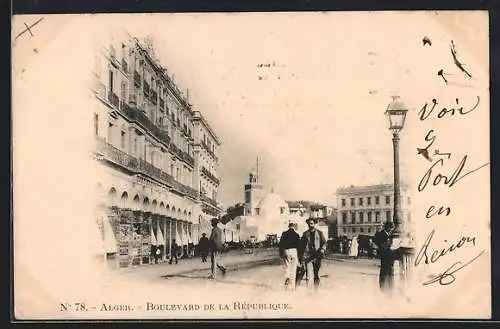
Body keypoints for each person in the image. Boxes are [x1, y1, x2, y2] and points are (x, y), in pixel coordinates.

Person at [299, 217, 327, 289]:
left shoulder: (320, 233)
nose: (310, 225)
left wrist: (322, 249)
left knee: (316, 274)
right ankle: (308, 291)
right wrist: (302, 256)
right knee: (308, 275)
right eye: (309, 224)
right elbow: (301, 246)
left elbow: (324, 243)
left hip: (317, 256)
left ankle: (316, 291)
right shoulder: (305, 234)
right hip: (308, 256)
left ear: (315, 224)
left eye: (311, 224)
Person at [373, 221, 395, 291]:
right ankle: (382, 286)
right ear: (387, 228)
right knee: (384, 270)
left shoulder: (389, 234)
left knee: (389, 270)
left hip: (389, 255)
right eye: (391, 228)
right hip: (384, 254)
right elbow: (378, 243)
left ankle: (389, 286)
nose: (392, 229)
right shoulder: (381, 234)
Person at [279, 221, 301, 290]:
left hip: (286, 251)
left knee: (287, 266)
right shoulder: (296, 234)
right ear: (294, 226)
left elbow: (281, 244)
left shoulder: (284, 233)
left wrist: (281, 253)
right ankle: (293, 287)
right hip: (294, 251)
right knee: (294, 269)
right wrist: (299, 256)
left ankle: (287, 277)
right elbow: (299, 246)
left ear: (288, 226)